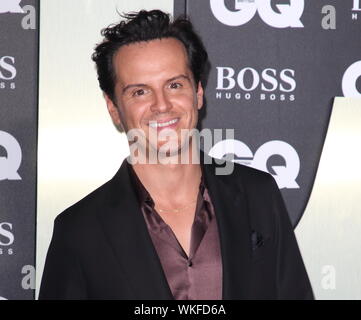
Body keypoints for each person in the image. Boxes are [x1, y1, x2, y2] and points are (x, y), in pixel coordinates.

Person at [39, 10, 314, 300]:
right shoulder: (80, 231)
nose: (162, 105)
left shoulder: (258, 195)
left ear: (197, 92)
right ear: (113, 107)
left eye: (174, 85)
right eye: (140, 92)